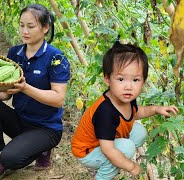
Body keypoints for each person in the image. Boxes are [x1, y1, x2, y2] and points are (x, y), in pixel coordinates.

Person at [0, 4, 70, 179]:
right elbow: (6, 94)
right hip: (21, 122)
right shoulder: (15, 53)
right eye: (21, 25)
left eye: (31, 26)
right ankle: (0, 156)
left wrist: (26, 88)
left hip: (46, 129)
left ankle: (41, 150)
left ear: (45, 28)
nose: (24, 31)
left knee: (12, 159)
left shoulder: (56, 58)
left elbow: (58, 99)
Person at [71, 39, 179, 180]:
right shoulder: (105, 112)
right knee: (126, 149)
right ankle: (103, 175)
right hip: (87, 151)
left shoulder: (125, 98)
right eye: (121, 79)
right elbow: (108, 150)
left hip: (104, 142)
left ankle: (115, 160)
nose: (128, 86)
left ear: (143, 81)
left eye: (135, 80)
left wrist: (156, 109)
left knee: (139, 131)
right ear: (107, 79)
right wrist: (131, 166)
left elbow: (135, 112)